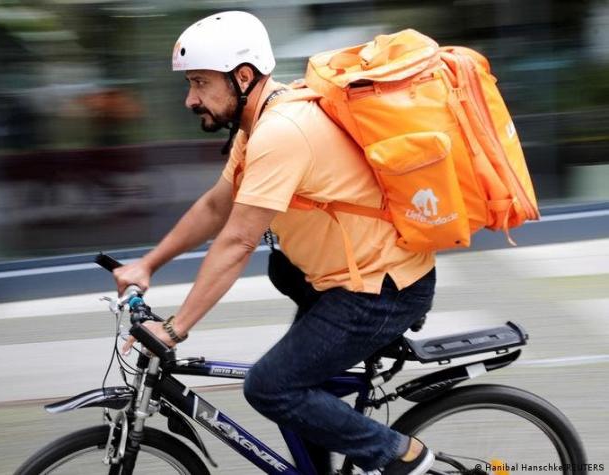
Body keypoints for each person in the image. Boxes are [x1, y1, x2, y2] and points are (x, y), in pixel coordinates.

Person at [115, 11, 436, 475]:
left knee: (271, 386)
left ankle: (400, 454)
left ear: (242, 77)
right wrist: (149, 265)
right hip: (337, 284)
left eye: (201, 83)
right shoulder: (260, 125)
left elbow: (238, 240)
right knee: (301, 388)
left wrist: (176, 328)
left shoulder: (284, 132)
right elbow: (215, 207)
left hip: (379, 289)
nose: (190, 99)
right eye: (190, 85)